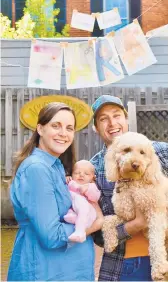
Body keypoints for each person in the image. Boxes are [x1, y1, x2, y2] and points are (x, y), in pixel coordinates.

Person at [90, 95, 168, 282]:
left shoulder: (161, 152)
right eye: (103, 119)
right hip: (125, 266)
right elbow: (99, 236)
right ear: (96, 127)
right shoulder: (94, 169)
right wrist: (136, 225)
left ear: (126, 119)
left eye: (117, 115)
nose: (112, 123)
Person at [7, 102, 103, 281]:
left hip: (69, 270)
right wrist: (95, 224)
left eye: (69, 128)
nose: (63, 133)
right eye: (55, 126)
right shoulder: (37, 169)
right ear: (40, 129)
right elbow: (51, 236)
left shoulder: (57, 167)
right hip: (46, 271)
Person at [64, 160, 101, 243]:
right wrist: (67, 179)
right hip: (74, 209)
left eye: (86, 174)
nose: (81, 175)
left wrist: (87, 190)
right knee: (72, 209)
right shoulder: (71, 184)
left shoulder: (91, 186)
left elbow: (95, 197)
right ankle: (74, 218)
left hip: (88, 213)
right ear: (71, 175)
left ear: (93, 178)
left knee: (82, 205)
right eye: (77, 173)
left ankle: (79, 230)